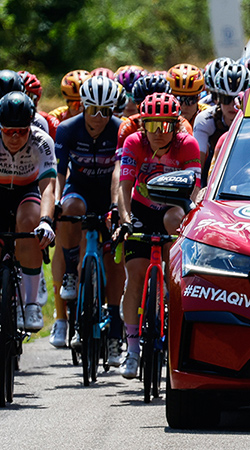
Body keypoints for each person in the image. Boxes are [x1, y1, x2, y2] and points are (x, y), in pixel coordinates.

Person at [116, 93, 201, 378]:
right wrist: (125, 220)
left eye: (164, 126)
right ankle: (131, 349)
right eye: (151, 126)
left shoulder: (186, 143)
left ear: (175, 126)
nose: (157, 134)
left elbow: (194, 190)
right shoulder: (133, 143)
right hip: (141, 209)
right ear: (143, 126)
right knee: (135, 276)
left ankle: (171, 313)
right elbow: (124, 186)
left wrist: (189, 226)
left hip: (172, 210)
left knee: (174, 221)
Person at [52, 76, 125, 362]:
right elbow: (58, 174)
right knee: (69, 209)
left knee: (113, 258)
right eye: (93, 109)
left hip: (108, 193)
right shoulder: (67, 129)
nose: (99, 117)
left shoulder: (120, 130)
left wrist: (117, 209)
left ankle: (115, 331)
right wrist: (56, 203)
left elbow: (121, 174)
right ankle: (71, 270)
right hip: (79, 190)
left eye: (106, 111)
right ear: (82, 106)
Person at [0, 92, 57, 331]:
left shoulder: (42, 141)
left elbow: (48, 189)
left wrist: (46, 222)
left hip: (28, 190)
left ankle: (32, 303)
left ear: (30, 126)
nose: (14, 137)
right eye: (8, 131)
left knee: (30, 222)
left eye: (21, 131)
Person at [194, 63, 250, 186]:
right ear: (217, 99)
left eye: (238, 99)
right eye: (226, 99)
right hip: (213, 180)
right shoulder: (206, 119)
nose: (232, 105)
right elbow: (198, 169)